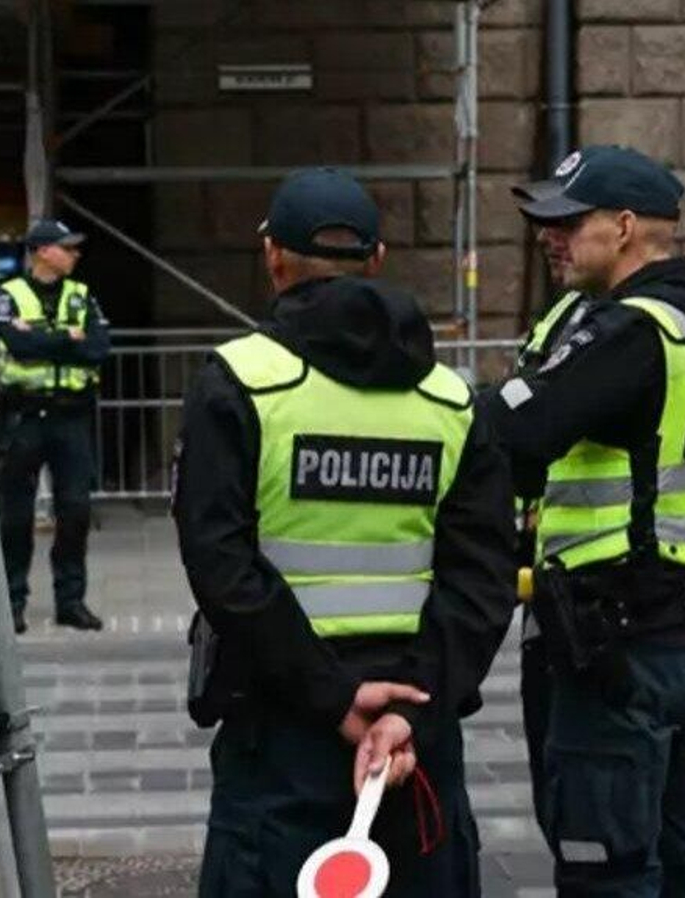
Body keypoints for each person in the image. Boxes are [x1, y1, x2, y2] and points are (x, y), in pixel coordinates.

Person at [174, 168, 518, 897]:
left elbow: (220, 564)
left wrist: (334, 699)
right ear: (378, 258)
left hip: (282, 727)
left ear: (273, 257)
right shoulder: (453, 402)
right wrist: (410, 710)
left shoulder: (239, 383)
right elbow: (484, 578)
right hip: (412, 734)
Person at [482, 145, 685, 897]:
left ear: (622, 227)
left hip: (607, 646)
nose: (547, 236)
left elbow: (513, 432)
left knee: (604, 870)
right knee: (684, 859)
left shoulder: (629, 332)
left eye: (566, 222)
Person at [0, 220, 110, 633]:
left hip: (70, 418)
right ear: (42, 251)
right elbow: (16, 346)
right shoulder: (9, 295)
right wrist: (68, 339)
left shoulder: (82, 295)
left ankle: (70, 601)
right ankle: (12, 601)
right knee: (15, 517)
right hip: (23, 418)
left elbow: (98, 349)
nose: (75, 254)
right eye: (66, 247)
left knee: (75, 510)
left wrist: (44, 338)